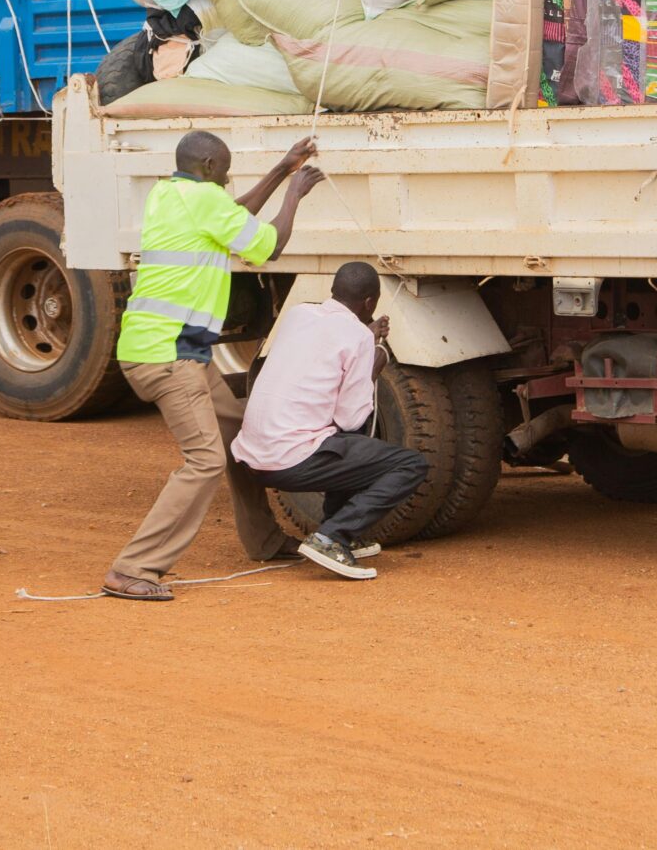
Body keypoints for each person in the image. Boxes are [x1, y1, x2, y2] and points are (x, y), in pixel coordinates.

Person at [101, 130, 325, 602]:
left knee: (239, 435)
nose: (227, 178)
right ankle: (134, 567)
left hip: (169, 349)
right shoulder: (205, 200)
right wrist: (294, 194)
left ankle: (263, 540)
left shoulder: (171, 192)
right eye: (223, 169)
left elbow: (233, 214)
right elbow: (269, 246)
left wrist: (283, 167)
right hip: (168, 356)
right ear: (206, 165)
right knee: (204, 460)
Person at [231, 262, 427, 581]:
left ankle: (338, 529)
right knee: (410, 464)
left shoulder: (298, 314)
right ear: (369, 303)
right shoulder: (359, 340)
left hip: (251, 459)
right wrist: (373, 363)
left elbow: (328, 341)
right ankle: (331, 536)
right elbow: (350, 419)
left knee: (347, 444)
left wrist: (365, 336)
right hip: (289, 461)